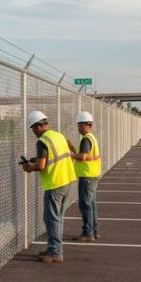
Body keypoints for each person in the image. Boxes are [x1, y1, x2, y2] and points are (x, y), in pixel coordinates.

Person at [21, 111, 76, 262]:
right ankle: (53, 248)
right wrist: (35, 158)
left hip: (55, 183)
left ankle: (56, 253)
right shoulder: (58, 135)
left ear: (38, 126)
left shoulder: (42, 141)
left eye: (32, 128)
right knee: (57, 217)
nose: (33, 132)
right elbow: (60, 154)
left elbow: (40, 165)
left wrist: (29, 167)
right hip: (66, 179)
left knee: (51, 218)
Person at [68, 110, 102, 242]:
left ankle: (88, 233)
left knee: (85, 205)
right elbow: (85, 155)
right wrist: (72, 148)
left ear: (85, 124)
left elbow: (82, 157)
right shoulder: (91, 137)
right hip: (92, 174)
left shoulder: (86, 139)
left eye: (79, 124)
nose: (78, 127)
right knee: (91, 204)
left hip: (87, 176)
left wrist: (70, 154)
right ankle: (94, 231)